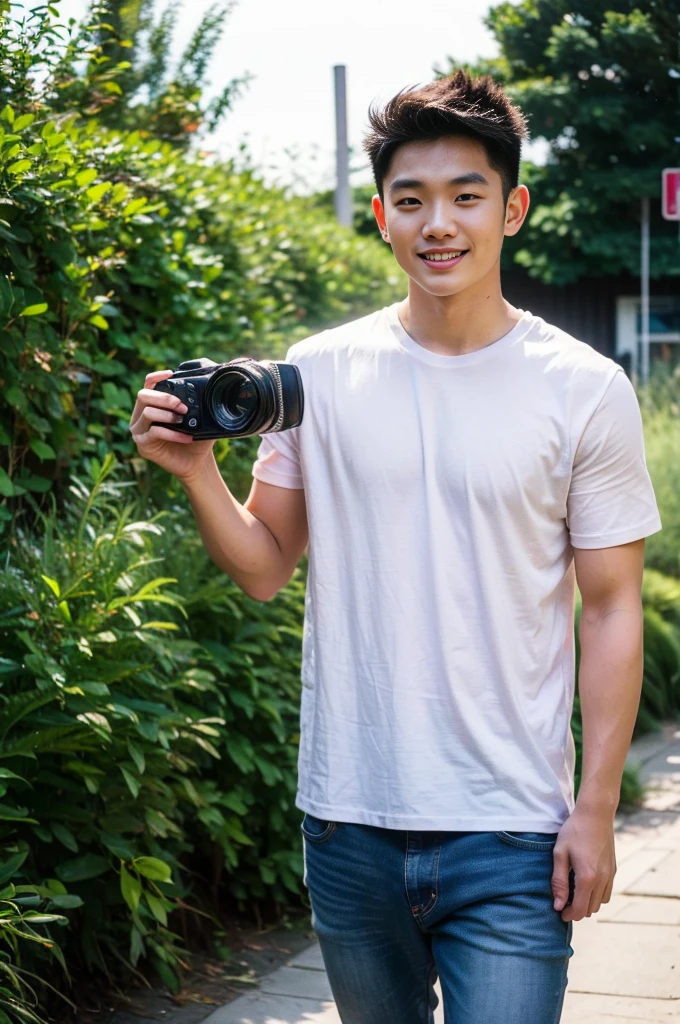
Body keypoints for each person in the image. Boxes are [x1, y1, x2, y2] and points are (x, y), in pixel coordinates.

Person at [129, 70, 662, 1024]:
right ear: (381, 215)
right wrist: (197, 471)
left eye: (467, 196)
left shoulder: (584, 388)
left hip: (511, 829)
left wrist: (595, 806)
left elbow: (614, 605)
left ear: (513, 208)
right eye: (411, 201)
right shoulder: (316, 373)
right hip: (348, 822)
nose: (438, 224)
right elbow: (262, 568)